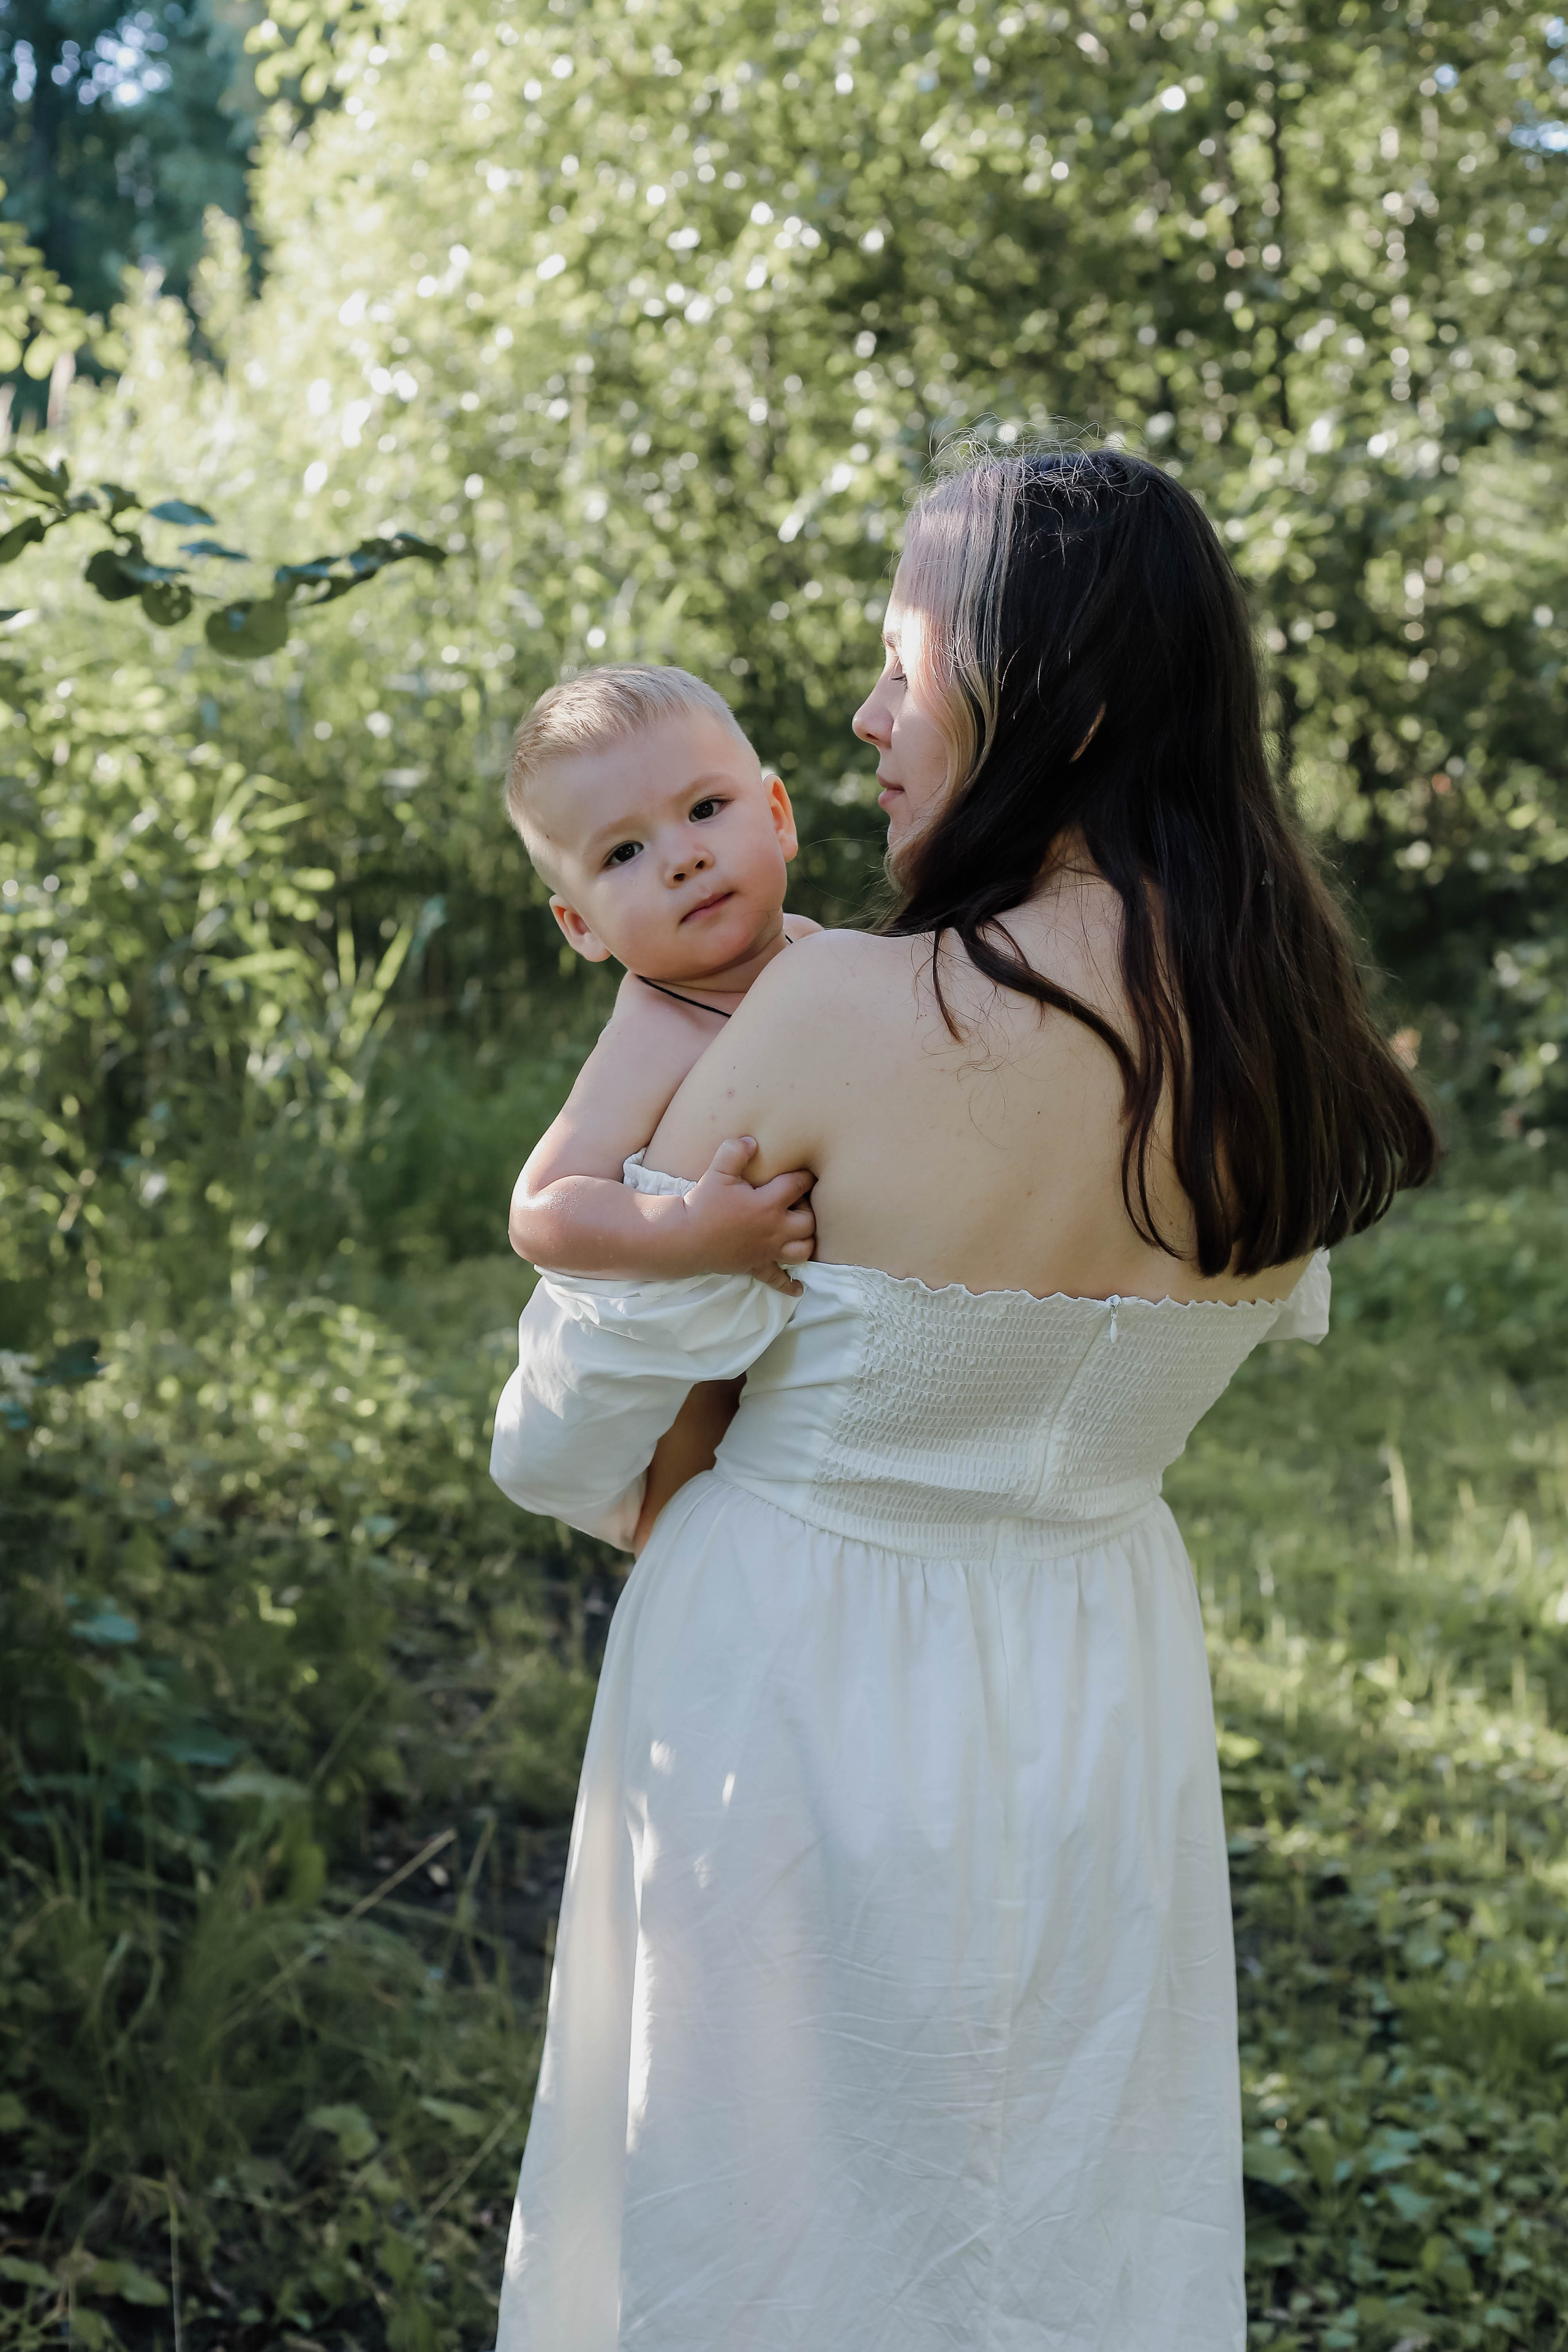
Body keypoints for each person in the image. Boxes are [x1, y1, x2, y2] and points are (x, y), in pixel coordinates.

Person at [489, 445, 1438, 2352]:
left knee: (758, 2215)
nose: (865, 717)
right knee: (1058, 2198)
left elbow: (562, 1441)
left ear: (1050, 705)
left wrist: (668, 1462)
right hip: (1101, 1669)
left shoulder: (838, 1011)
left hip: (789, 1676)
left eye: (902, 665)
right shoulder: (1282, 1050)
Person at [502, 665, 819, 1546]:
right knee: (697, 1450)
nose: (683, 858)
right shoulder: (657, 1030)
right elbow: (540, 1210)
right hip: (655, 1344)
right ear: (582, 926)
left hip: (785, 1329)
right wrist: (686, 1230)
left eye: (706, 809)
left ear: (778, 816)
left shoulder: (827, 959)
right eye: (623, 854)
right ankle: (667, 1558)